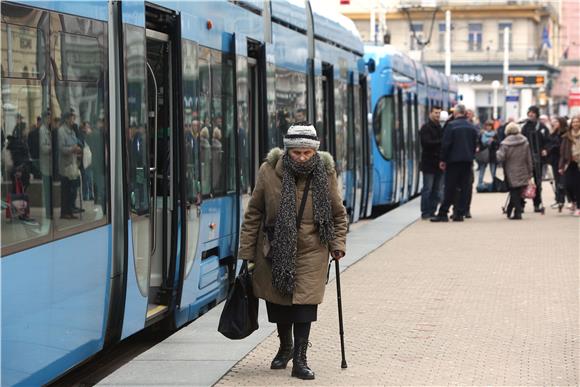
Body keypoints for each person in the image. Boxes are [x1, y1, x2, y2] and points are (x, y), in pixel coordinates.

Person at [238, 122, 347, 380]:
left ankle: (300, 359)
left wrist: (338, 245)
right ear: (287, 151)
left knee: (305, 306)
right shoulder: (268, 171)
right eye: (296, 152)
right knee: (279, 305)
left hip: (313, 249)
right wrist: (245, 252)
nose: (301, 157)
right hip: (274, 249)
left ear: (314, 152)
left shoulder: (325, 173)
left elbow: (338, 214)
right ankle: (285, 346)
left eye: (306, 153)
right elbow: (254, 213)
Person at [431, 104, 478, 222]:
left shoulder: (451, 126)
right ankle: (459, 213)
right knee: (465, 188)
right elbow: (475, 145)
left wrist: (442, 159)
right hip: (467, 161)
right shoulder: (472, 127)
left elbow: (446, 145)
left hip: (453, 161)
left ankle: (443, 213)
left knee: (450, 188)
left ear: (456, 113)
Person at [496, 122, 533, 220]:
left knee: (514, 190)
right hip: (523, 168)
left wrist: (497, 152)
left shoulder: (505, 143)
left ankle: (517, 212)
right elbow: (528, 157)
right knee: (519, 190)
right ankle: (511, 209)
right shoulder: (525, 141)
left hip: (510, 170)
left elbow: (500, 157)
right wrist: (530, 171)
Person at [521, 105, 549, 212]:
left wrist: (545, 149)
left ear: (537, 114)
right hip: (526, 158)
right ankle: (521, 204)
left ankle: (537, 204)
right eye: (529, 112)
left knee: (538, 182)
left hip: (538, 159)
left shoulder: (542, 127)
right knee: (523, 181)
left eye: (533, 112)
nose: (530, 114)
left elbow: (547, 140)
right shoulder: (525, 127)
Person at [419, 106, 443, 219]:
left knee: (437, 190)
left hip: (438, 163)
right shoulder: (425, 128)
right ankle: (425, 212)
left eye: (439, 113)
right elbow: (426, 143)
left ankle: (433, 211)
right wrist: (441, 142)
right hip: (428, 163)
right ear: (430, 114)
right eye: (435, 113)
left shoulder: (440, 127)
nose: (437, 115)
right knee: (427, 188)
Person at [58, 109, 82, 219]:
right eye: (72, 118)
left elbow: (76, 142)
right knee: (66, 190)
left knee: (72, 188)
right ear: (67, 119)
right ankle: (65, 212)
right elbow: (62, 148)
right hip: (65, 165)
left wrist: (78, 149)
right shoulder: (61, 131)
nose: (74, 120)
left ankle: (70, 210)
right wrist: (73, 149)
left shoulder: (72, 130)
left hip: (73, 164)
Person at [558, 115, 580, 216]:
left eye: (577, 122)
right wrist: (561, 166)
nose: (575, 124)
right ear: (571, 124)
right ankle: (573, 202)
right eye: (574, 122)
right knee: (567, 184)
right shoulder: (567, 136)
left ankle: (579, 207)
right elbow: (562, 152)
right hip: (569, 162)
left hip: (578, 163)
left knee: (578, 186)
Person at [547, 116, 568, 211]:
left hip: (561, 159)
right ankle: (559, 199)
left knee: (562, 180)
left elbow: (559, 145)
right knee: (557, 180)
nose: (554, 123)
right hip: (554, 160)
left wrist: (551, 149)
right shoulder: (554, 132)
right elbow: (549, 142)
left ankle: (562, 199)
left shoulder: (564, 133)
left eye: (556, 122)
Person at [476, 120, 498, 188]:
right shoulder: (481, 133)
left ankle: (494, 184)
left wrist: (493, 141)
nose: (488, 127)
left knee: (493, 170)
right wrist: (478, 147)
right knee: (482, 169)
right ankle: (479, 183)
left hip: (492, 154)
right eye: (487, 126)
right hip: (484, 153)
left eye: (490, 126)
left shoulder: (495, 134)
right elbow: (478, 142)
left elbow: (498, 143)